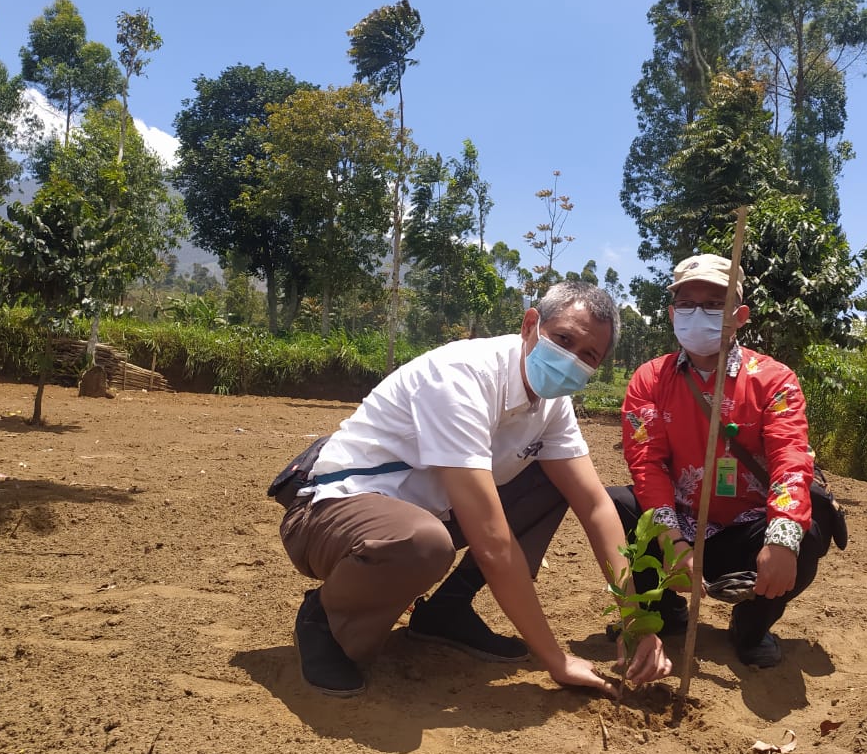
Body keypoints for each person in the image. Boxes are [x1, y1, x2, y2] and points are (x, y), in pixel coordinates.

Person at [277, 281, 672, 697]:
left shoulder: (552, 405)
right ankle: (325, 620)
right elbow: (492, 542)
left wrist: (637, 621)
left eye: (588, 355)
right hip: (331, 513)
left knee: (553, 481)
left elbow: (594, 505)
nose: (570, 359)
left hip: (430, 512)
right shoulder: (463, 376)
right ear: (530, 324)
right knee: (422, 542)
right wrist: (555, 659)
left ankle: (446, 612)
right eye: (563, 339)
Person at [611, 253, 834, 668]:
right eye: (688, 304)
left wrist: (782, 540)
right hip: (679, 524)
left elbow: (790, 456)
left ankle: (750, 625)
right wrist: (672, 542)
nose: (700, 315)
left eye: (714, 305)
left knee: (810, 526)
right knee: (613, 508)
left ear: (740, 314)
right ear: (673, 313)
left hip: (748, 528)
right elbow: (647, 465)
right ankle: (662, 610)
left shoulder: (775, 380)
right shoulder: (648, 379)